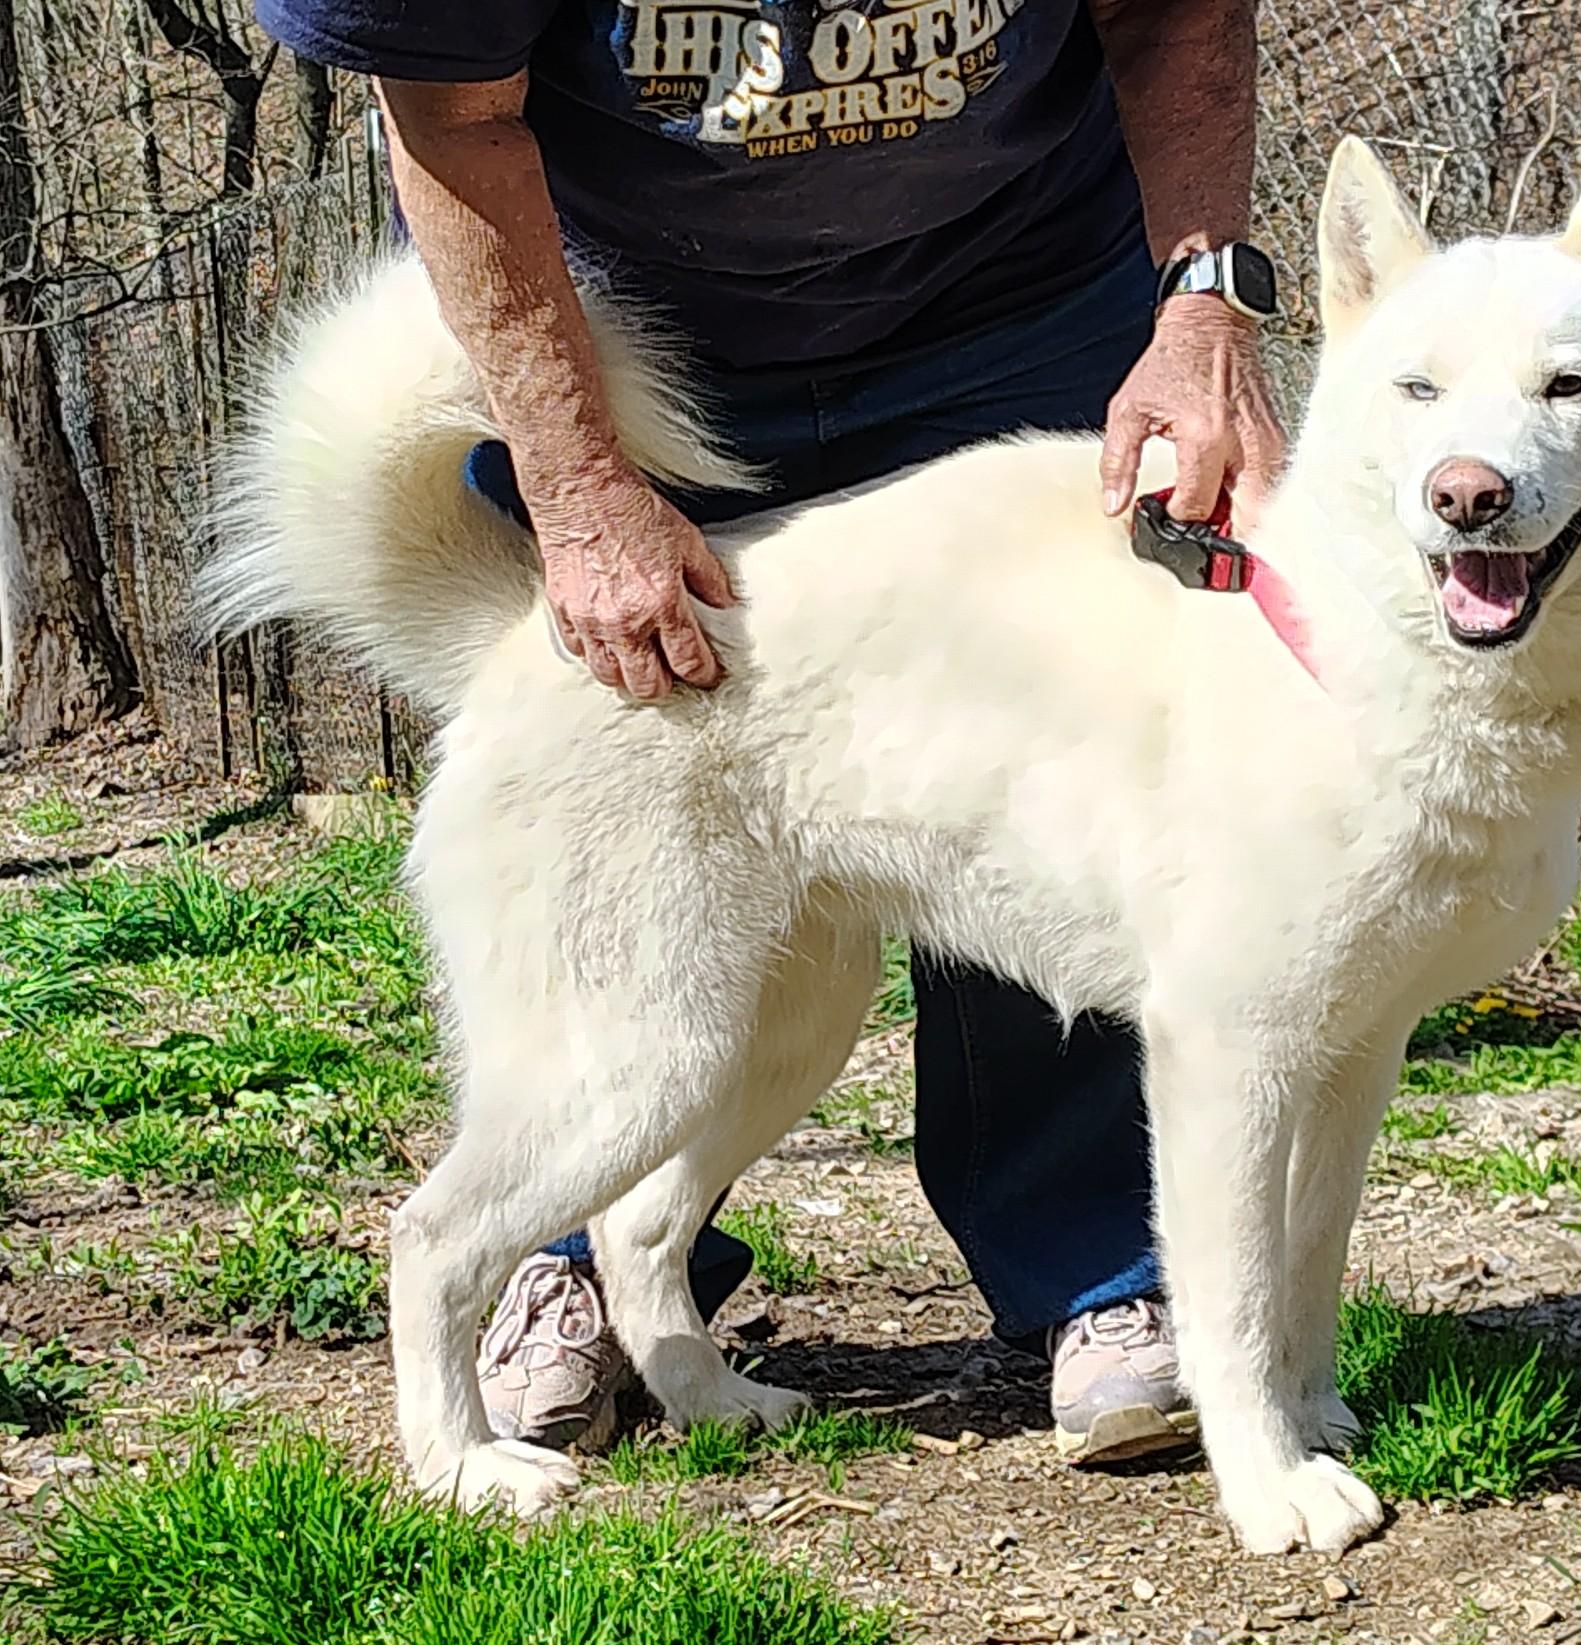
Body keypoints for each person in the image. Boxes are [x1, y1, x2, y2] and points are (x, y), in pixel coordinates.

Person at [256, 0, 1289, 1465]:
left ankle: (1103, 1286)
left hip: (1012, 298)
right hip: (638, 316)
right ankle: (533, 1278)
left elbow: (1177, 16)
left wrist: (1204, 308)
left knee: (1063, 820)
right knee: (634, 1038)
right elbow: (450, 108)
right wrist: (572, 476)